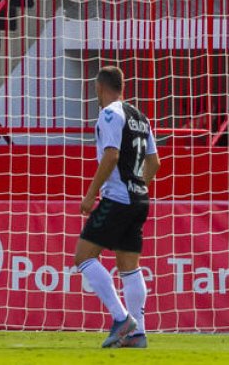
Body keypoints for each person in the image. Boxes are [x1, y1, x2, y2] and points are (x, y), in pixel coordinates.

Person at [73, 66, 158, 349]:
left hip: (117, 198)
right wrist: (137, 185)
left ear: (99, 88)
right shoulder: (141, 117)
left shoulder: (110, 113)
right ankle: (138, 333)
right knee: (129, 268)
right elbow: (154, 162)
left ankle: (122, 320)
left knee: (83, 257)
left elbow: (111, 156)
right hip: (139, 199)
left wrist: (90, 195)